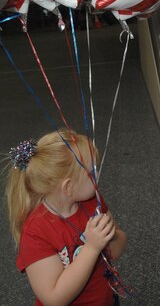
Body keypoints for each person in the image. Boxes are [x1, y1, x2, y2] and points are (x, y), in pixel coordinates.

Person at [6, 129, 127, 305]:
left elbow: (117, 248)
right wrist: (91, 248)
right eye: (92, 172)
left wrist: (110, 236)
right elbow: (53, 298)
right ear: (69, 188)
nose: (97, 175)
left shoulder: (92, 201)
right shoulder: (36, 232)